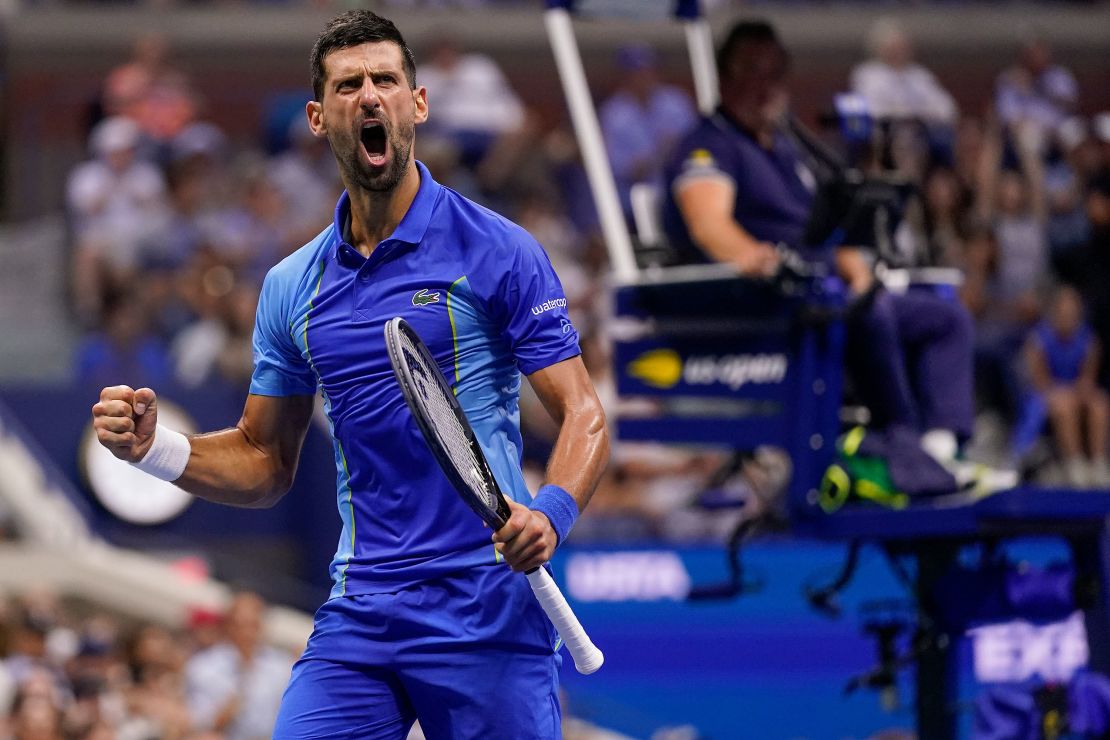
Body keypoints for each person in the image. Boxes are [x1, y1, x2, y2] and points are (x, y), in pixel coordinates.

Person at [91, 10, 609, 739]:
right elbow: (265, 460)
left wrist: (550, 514)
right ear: (317, 116)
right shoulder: (291, 285)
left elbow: (583, 412)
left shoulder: (499, 250)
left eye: (386, 80)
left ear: (417, 104)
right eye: (348, 85)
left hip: (485, 606)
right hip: (363, 610)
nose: (370, 96)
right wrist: (154, 449)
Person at [661, 20, 1005, 493]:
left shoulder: (786, 149)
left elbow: (829, 227)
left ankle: (943, 454)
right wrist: (757, 258)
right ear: (727, 77)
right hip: (767, 306)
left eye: (777, 72)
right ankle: (903, 444)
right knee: (871, 311)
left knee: (943, 318)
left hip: (826, 292)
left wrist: (857, 269)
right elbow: (709, 225)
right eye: (755, 71)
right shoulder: (710, 144)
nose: (770, 85)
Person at [1019, 286, 1110, 487]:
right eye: (1064, 313)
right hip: (1047, 394)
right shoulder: (1038, 340)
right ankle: (1074, 463)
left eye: (1073, 313)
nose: (1068, 318)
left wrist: (1081, 389)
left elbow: (1088, 378)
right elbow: (1040, 382)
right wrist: (1064, 391)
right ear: (1055, 313)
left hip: (1076, 391)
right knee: (1064, 404)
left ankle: (1098, 462)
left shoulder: (1089, 340)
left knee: (1099, 402)